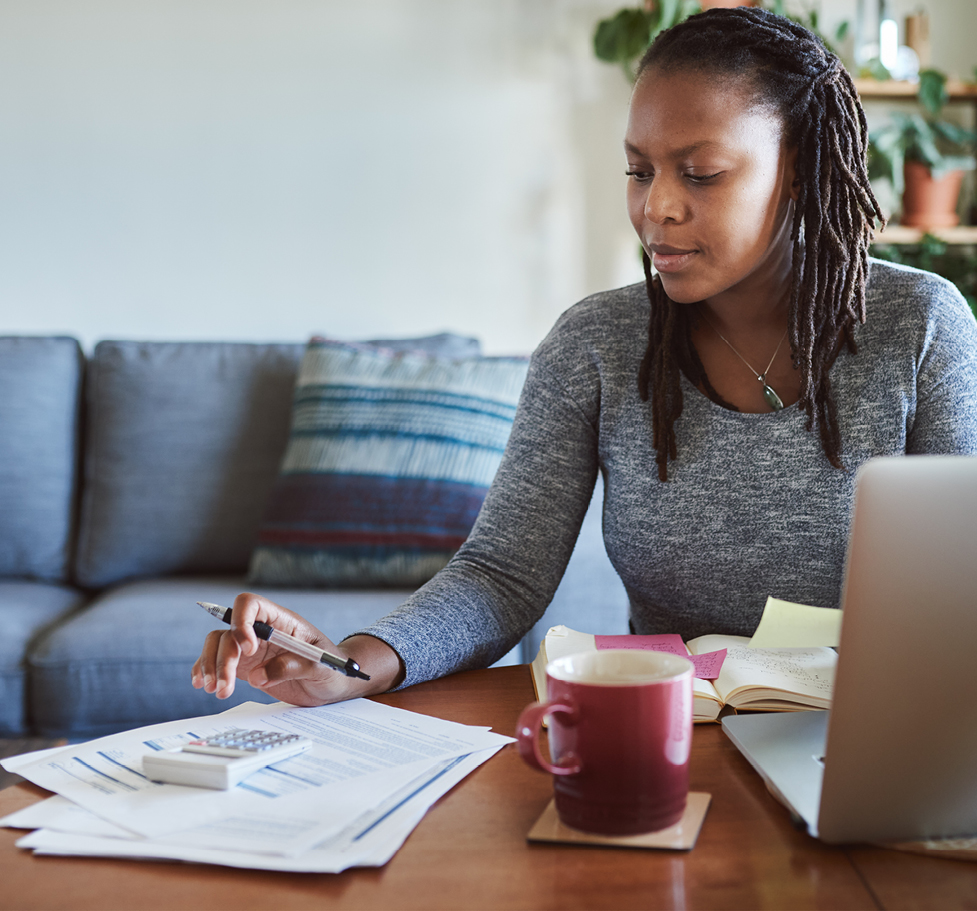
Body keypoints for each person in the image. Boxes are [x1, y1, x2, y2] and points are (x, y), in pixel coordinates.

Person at [192, 7, 977, 708]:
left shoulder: (920, 327)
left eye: (699, 173)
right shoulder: (595, 344)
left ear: (799, 172)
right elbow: (501, 573)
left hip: (869, 736)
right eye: (639, 170)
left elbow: (954, 598)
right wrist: (348, 662)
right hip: (670, 740)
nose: (655, 207)